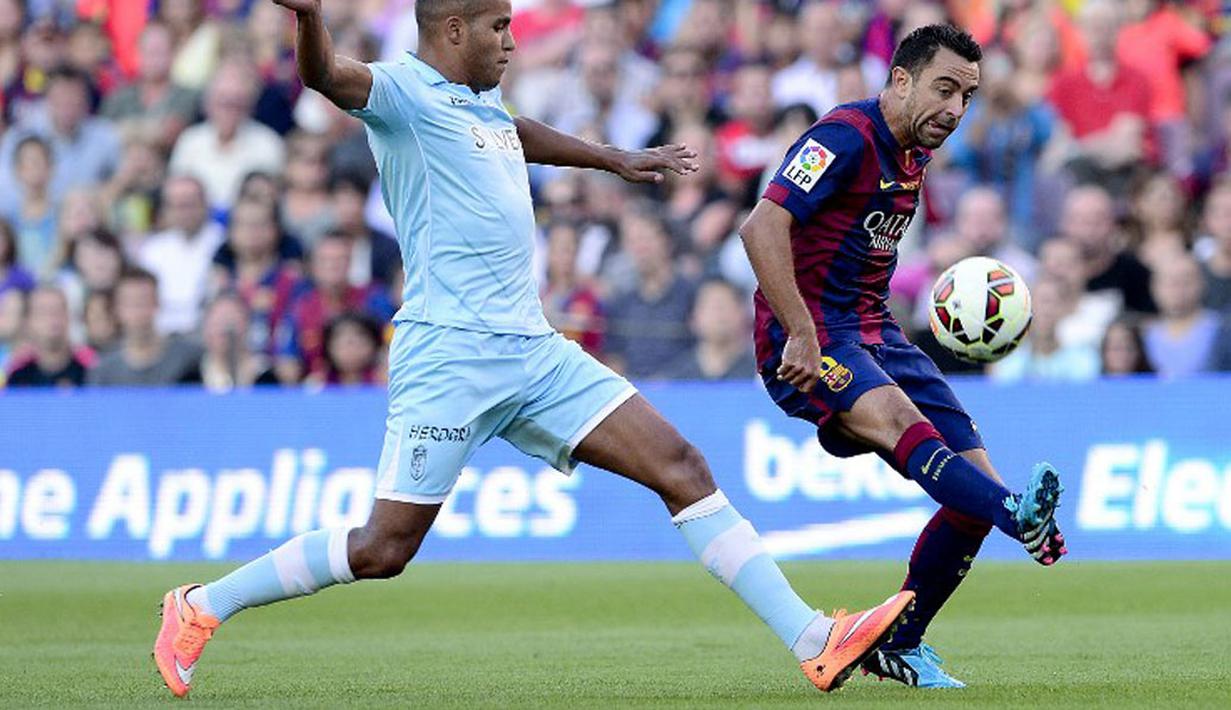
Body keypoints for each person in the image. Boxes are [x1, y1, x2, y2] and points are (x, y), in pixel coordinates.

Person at [151, 0, 915, 700]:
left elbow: (515, 134)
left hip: (533, 349)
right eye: (498, 29)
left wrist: (612, 157)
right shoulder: (400, 93)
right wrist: (311, 18)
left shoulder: (480, 104)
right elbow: (325, 76)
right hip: (448, 359)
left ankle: (813, 638)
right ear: (452, 30)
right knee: (383, 549)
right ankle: (199, 605)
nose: (512, 43)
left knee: (680, 467)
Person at [738, 25, 1067, 689]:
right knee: (896, 418)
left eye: (966, 96)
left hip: (874, 331)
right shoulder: (843, 137)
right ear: (898, 80)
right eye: (943, 88)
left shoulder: (912, 153)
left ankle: (903, 643)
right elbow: (761, 225)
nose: (954, 108)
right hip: (809, 338)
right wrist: (799, 332)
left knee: (972, 482)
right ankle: (1019, 518)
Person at [87, 268, 202, 386]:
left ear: (157, 303)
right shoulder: (103, 369)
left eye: (144, 301)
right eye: (130, 303)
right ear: (116, 309)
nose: (138, 312)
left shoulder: (189, 358)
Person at [4, 283, 93, 387]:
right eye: (43, 312)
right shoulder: (17, 374)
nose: (52, 318)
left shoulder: (90, 367)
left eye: (58, 310)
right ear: (28, 321)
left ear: (68, 316)